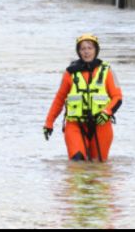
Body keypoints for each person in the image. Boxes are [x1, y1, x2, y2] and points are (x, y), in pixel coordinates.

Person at [43, 33, 122, 161]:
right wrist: (49, 123)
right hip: (75, 125)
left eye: (90, 48)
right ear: (79, 52)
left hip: (101, 125)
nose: (86, 52)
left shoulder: (107, 71)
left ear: (96, 50)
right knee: (77, 164)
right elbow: (59, 99)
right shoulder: (70, 72)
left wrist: (107, 112)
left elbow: (117, 97)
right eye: (83, 49)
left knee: (98, 167)